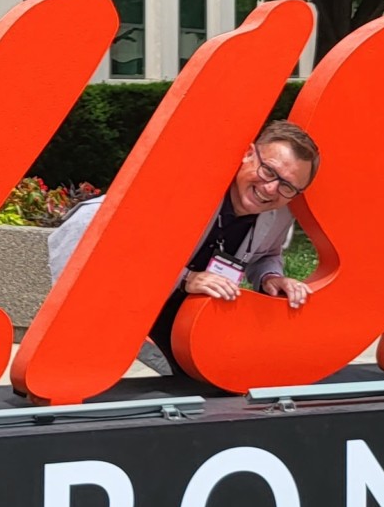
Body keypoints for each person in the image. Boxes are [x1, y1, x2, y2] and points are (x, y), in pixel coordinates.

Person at [45, 119, 320, 377]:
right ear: (249, 154)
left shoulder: (281, 212)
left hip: (192, 321)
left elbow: (266, 254)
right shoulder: (186, 184)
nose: (271, 189)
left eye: (287, 186)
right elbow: (108, 237)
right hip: (120, 306)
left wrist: (271, 277)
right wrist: (186, 277)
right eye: (268, 171)